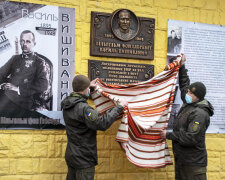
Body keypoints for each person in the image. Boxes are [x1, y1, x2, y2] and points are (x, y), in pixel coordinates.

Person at [61, 75, 128, 180]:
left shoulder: (67, 104)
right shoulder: (84, 109)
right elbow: (101, 123)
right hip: (83, 159)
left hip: (72, 155)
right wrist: (119, 107)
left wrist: (87, 85)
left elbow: (78, 93)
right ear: (85, 89)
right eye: (88, 88)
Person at [160, 54, 214, 180]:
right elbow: (184, 84)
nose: (187, 94)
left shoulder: (200, 114)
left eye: (190, 93)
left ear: (198, 97)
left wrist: (168, 135)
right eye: (188, 91)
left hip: (193, 165)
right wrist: (182, 66)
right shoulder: (190, 101)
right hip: (183, 161)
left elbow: (190, 138)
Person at [0, 30, 53, 117]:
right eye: (22, 41)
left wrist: (18, 88)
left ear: (34, 43)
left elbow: (44, 85)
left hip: (23, 102)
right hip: (6, 96)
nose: (24, 44)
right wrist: (1, 84)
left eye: (28, 41)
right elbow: (1, 73)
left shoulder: (39, 62)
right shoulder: (15, 58)